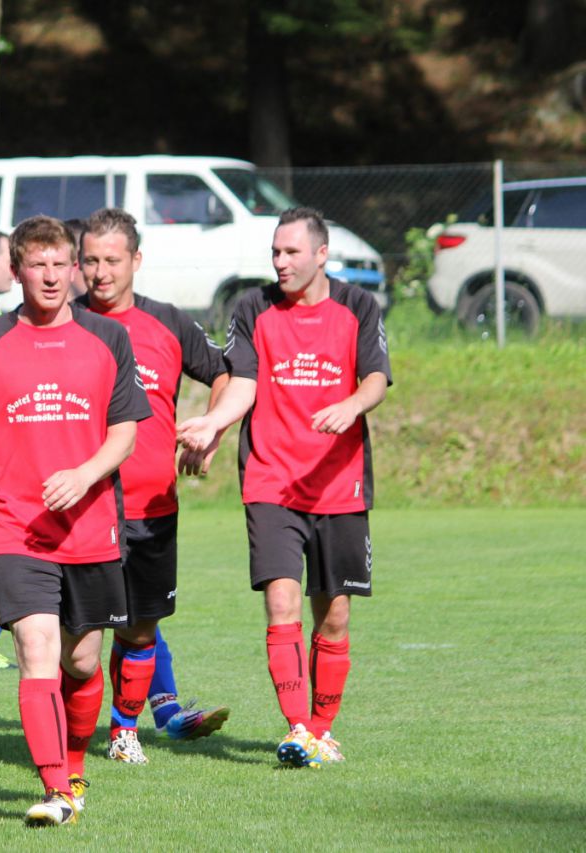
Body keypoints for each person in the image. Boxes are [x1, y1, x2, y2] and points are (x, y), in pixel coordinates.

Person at [0, 215, 150, 826]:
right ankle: (57, 788)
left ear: (74, 268)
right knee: (36, 646)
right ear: (17, 270)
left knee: (81, 662)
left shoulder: (108, 338)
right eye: (38, 265)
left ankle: (74, 764)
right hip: (14, 526)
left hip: (90, 526)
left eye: (61, 264)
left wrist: (84, 475)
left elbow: (125, 431)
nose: (51, 276)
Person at [175, 207, 390, 768]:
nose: (280, 261)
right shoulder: (253, 307)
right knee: (281, 601)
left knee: (334, 615)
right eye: (275, 251)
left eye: (292, 252)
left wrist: (351, 405)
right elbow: (244, 382)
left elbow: (375, 377)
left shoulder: (358, 305)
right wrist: (214, 422)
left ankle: (322, 728)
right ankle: (298, 729)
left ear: (322, 254)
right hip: (270, 478)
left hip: (339, 482)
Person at [79, 208, 232, 765]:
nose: (100, 272)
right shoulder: (63, 321)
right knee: (80, 639)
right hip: (84, 507)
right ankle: (70, 734)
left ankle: (124, 732)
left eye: (112, 260)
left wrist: (210, 430)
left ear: (136, 260)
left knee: (142, 630)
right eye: (90, 260)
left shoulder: (168, 322)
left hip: (152, 505)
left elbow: (225, 371)